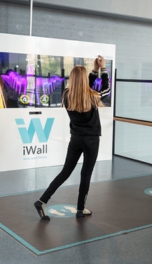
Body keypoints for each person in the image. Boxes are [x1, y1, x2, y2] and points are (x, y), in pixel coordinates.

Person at [34, 55, 108, 220]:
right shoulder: (93, 97)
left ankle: (42, 200)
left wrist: (95, 70)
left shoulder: (66, 95)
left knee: (65, 172)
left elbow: (83, 88)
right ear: (84, 80)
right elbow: (106, 90)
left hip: (75, 139)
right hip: (91, 140)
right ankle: (80, 209)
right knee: (86, 174)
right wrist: (102, 69)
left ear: (72, 79)